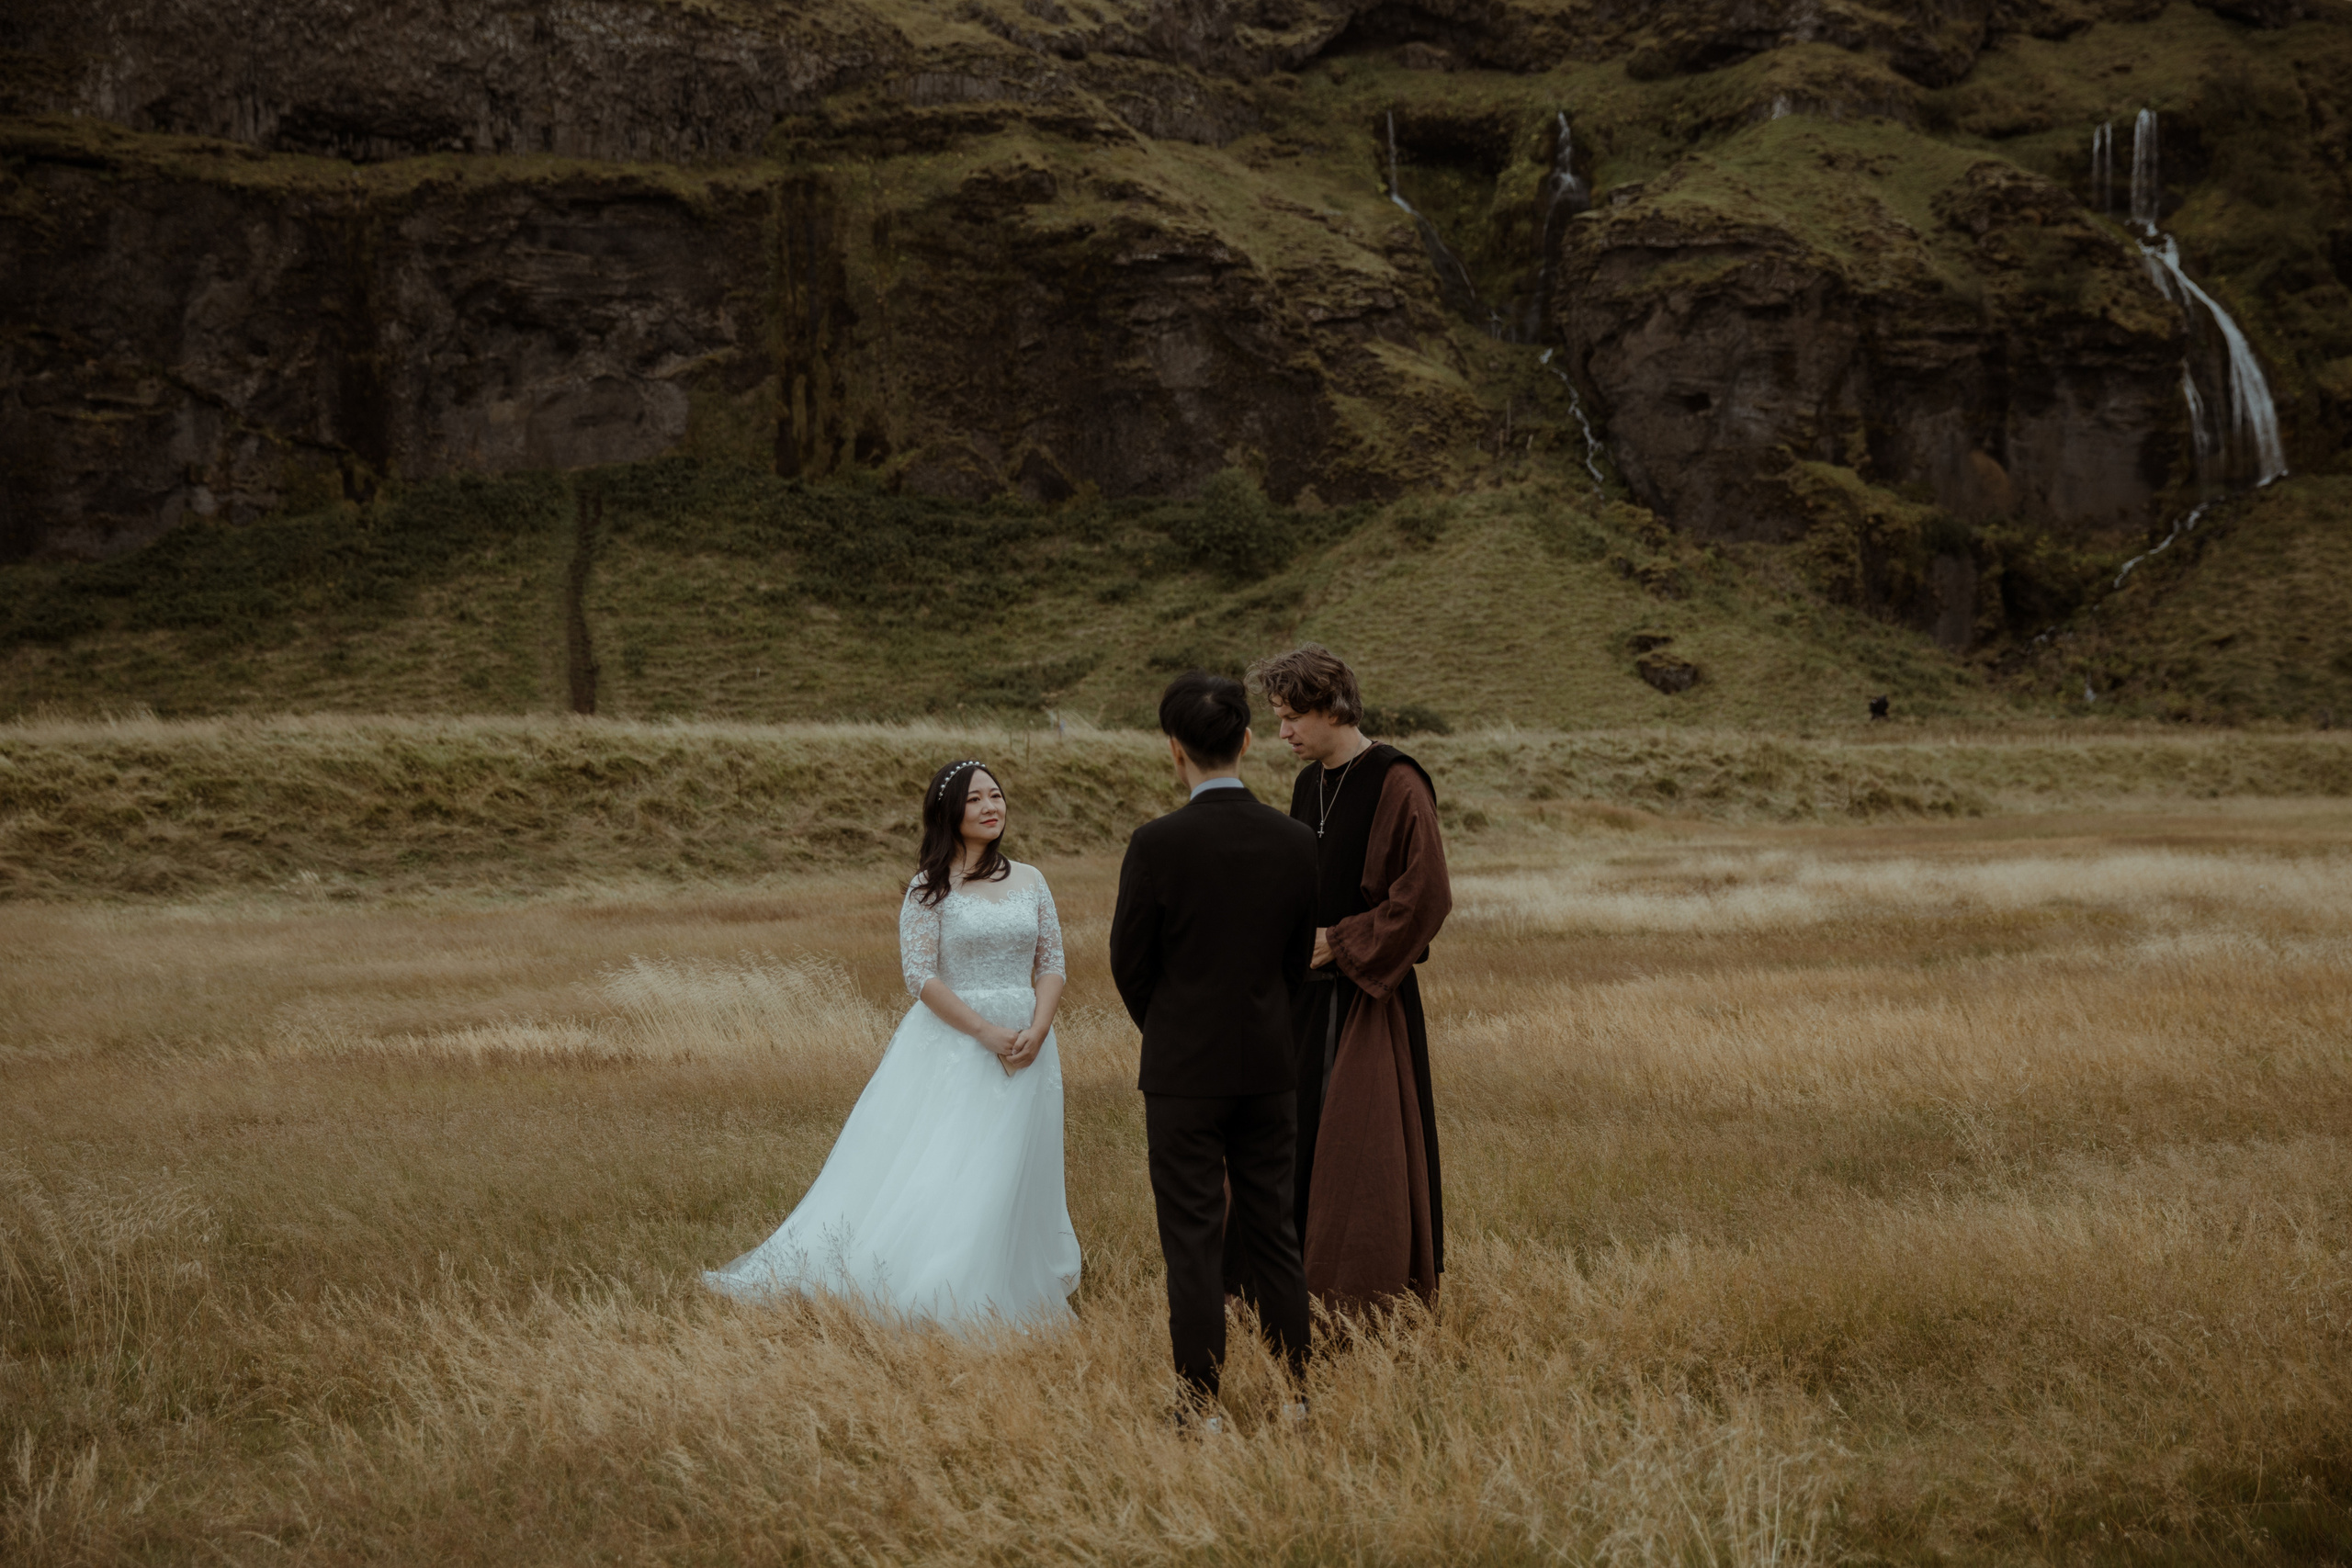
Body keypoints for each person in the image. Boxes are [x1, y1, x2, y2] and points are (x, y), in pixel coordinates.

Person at [703, 761, 1081, 1327]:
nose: (990, 807)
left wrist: (1040, 1026)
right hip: (958, 1042)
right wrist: (983, 1032)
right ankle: (939, 1282)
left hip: (1029, 1042)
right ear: (948, 812)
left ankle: (1007, 1274)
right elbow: (920, 976)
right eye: (975, 799)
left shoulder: (1030, 878)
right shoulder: (928, 886)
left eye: (997, 796)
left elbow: (1051, 962)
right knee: (952, 1159)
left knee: (1016, 1162)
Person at [1110, 671, 1318, 1427]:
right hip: (1270, 1066)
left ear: (1175, 750)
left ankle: (1198, 1404)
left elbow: (1129, 963)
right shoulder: (1296, 841)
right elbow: (1297, 964)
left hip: (1182, 1075)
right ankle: (1298, 1393)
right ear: (1249, 740)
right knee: (1276, 1230)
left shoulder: (1157, 843)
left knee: (1192, 1239)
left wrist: (1169, 1029)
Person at [1244, 644, 1451, 1310]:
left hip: (1365, 1004)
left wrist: (1339, 941)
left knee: (1360, 1148)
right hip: (1301, 1003)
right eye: (1276, 718)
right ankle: (1289, 1283)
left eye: (1290, 718)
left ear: (1331, 706)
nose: (1282, 734)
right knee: (1294, 1140)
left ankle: (1361, 1295)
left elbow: (1424, 896)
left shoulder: (1398, 780)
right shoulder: (1310, 784)